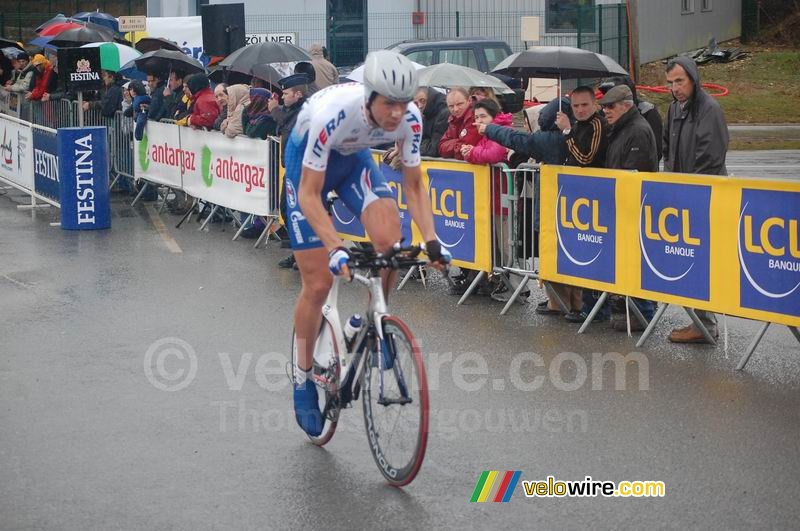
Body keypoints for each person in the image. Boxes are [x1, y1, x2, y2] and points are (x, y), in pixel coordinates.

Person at [286, 50, 450, 437]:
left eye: (403, 103)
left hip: (352, 164)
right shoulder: (334, 114)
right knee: (318, 284)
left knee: (391, 245)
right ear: (369, 96)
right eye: (389, 103)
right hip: (306, 172)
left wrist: (432, 241)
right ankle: (302, 376)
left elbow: (413, 185)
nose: (397, 113)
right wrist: (335, 246)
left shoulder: (410, 119)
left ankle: (373, 319)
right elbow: (310, 196)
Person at [663, 56, 729, 344]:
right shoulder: (674, 108)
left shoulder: (709, 109)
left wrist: (691, 192)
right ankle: (700, 321)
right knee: (687, 259)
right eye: (670, 83)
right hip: (683, 194)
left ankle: (705, 324)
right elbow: (668, 148)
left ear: (693, 78)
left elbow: (711, 157)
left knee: (701, 261)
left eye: (680, 81)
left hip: (704, 196)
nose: (675, 87)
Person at [598, 84, 659, 331]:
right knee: (625, 260)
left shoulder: (638, 131)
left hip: (633, 206)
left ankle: (642, 311)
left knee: (634, 261)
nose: (606, 111)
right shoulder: (620, 129)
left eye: (610, 107)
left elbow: (636, 171)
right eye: (603, 107)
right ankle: (632, 309)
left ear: (626, 105)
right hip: (621, 205)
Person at [552, 86, 610, 322]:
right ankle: (580, 303)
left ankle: (596, 306)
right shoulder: (579, 125)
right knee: (580, 249)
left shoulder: (597, 125)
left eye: (584, 105)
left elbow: (586, 158)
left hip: (597, 195)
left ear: (595, 104)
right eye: (576, 106)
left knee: (595, 252)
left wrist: (567, 131)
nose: (580, 110)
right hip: (581, 198)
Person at [268, 73, 311, 266]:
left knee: (301, 213)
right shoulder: (290, 109)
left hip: (304, 172)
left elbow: (290, 127)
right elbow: (281, 127)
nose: (282, 96)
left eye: (286, 93)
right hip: (292, 170)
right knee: (286, 210)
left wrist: (275, 111)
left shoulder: (306, 111)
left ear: (298, 94)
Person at [599, 76, 663, 161]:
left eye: (611, 105)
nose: (607, 110)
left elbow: (656, 151)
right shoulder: (605, 114)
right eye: (605, 105)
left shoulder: (647, 111)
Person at [438, 87, 481, 160]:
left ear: (469, 100)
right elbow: (441, 148)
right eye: (451, 106)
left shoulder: (476, 116)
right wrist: (458, 141)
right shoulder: (453, 119)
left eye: (459, 104)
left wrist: (454, 143)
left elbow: (462, 152)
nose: (455, 109)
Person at [413, 87, 449, 158]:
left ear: (430, 98)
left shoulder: (443, 113)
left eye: (422, 100)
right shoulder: (426, 114)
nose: (419, 106)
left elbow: (433, 149)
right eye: (416, 103)